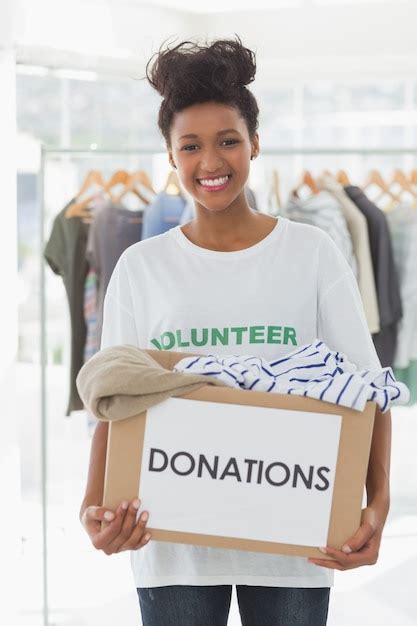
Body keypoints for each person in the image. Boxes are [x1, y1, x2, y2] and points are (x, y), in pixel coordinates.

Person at [79, 37, 391, 626]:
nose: (211, 162)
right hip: (173, 550)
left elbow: (367, 390)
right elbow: (111, 400)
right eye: (190, 146)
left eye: (228, 141)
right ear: (170, 157)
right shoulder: (141, 267)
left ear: (255, 144)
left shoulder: (312, 252)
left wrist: (379, 504)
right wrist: (92, 506)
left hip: (295, 546)